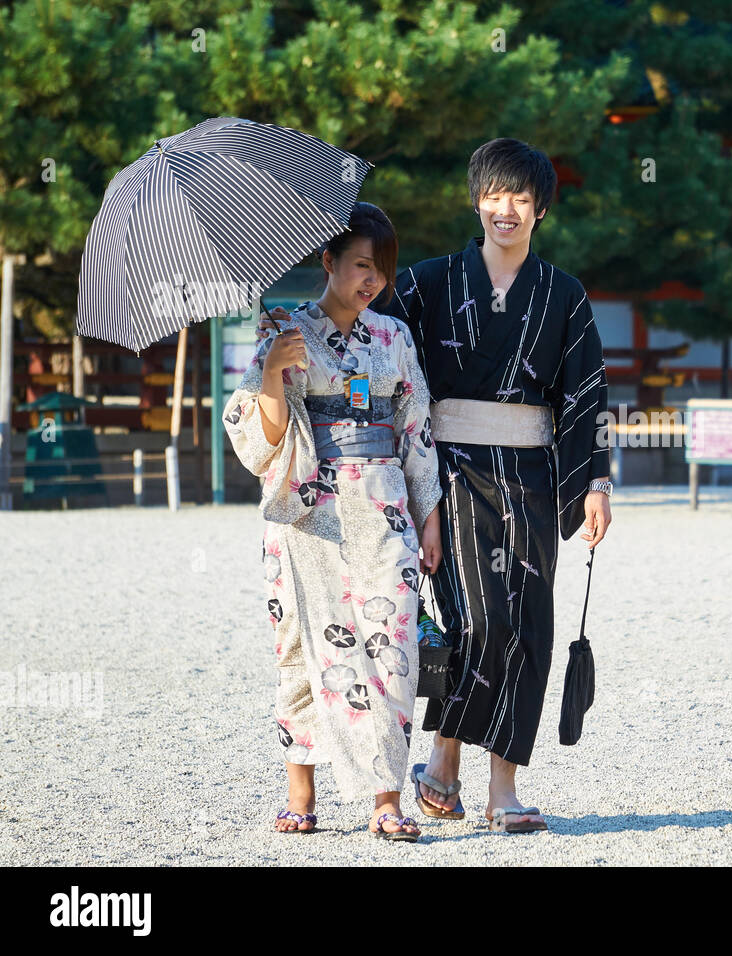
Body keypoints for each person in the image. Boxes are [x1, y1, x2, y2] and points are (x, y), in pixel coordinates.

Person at [264, 138, 613, 833]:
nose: (503, 209)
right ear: (475, 199)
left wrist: (595, 481)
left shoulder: (564, 296)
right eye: (493, 194)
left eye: (519, 197)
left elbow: (586, 395)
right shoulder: (427, 282)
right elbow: (364, 333)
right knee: (476, 622)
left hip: (533, 476)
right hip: (449, 470)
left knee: (529, 628)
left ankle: (500, 788)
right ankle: (444, 760)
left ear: (540, 207)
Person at [226, 202, 443, 841]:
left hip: (383, 507)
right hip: (307, 511)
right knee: (301, 644)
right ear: (328, 261)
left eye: (381, 270)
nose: (371, 282)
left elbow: (415, 428)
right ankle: (301, 788)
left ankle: (386, 798)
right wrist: (270, 370)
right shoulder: (285, 330)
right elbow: (261, 439)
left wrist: (428, 516)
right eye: (359, 266)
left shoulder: (393, 338)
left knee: (393, 641)